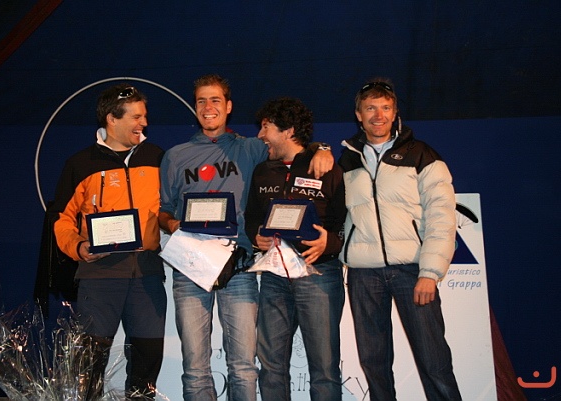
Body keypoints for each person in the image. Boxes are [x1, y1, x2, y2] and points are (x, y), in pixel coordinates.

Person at [158, 74, 333, 401]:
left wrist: (320, 148)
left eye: (215, 100)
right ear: (195, 107)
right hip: (190, 265)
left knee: (243, 366)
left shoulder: (251, 148)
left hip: (237, 265)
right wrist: (172, 224)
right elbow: (164, 210)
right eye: (201, 101)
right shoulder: (175, 155)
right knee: (195, 368)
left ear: (228, 106)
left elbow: (289, 143)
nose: (208, 107)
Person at [338, 79, 462, 401]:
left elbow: (441, 216)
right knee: (374, 364)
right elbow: (339, 214)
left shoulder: (421, 154)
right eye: (370, 108)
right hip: (364, 274)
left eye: (385, 108)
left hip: (412, 271)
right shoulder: (348, 159)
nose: (378, 115)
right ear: (359, 114)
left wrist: (430, 272)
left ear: (394, 113)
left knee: (434, 361)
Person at [52, 84, 166, 400]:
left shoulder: (157, 157)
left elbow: (171, 208)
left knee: (147, 362)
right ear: (112, 119)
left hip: (147, 275)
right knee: (90, 364)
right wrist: (77, 247)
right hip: (100, 276)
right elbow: (61, 219)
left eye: (144, 116)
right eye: (136, 117)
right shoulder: (80, 163)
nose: (144, 123)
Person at [245, 97, 346, 401]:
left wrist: (331, 242)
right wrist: (256, 237)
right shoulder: (262, 171)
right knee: (270, 366)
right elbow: (252, 218)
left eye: (266, 128)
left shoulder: (326, 167)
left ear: (288, 131)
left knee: (324, 369)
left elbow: (347, 223)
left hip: (319, 274)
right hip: (274, 277)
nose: (260, 135)